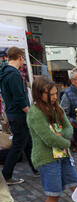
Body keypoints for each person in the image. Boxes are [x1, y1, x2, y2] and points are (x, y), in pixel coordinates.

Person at [27, 76, 77, 202]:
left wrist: (63, 137)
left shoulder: (57, 108)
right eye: (51, 94)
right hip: (47, 159)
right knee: (54, 193)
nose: (55, 97)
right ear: (39, 93)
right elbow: (48, 138)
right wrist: (66, 141)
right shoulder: (35, 113)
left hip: (63, 155)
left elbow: (69, 128)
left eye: (56, 93)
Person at [0, 46, 38, 185]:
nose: (23, 63)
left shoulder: (5, 72)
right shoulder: (14, 74)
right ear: (20, 57)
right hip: (19, 115)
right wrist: (30, 112)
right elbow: (19, 98)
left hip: (13, 114)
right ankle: (6, 175)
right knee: (18, 145)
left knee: (27, 142)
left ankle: (35, 169)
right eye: (22, 59)